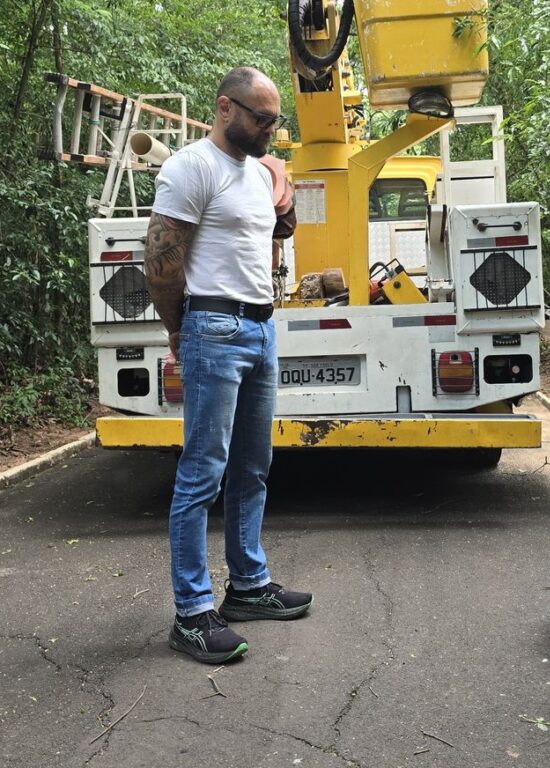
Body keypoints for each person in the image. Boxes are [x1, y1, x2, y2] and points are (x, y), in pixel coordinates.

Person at [144, 66, 312, 665]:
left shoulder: (256, 168)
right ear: (225, 108)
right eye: (262, 118)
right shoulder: (192, 167)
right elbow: (162, 258)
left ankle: (248, 586)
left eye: (275, 120)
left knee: (253, 467)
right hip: (213, 327)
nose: (271, 128)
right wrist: (176, 330)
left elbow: (278, 230)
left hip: (262, 326)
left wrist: (281, 179)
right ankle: (191, 613)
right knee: (201, 474)